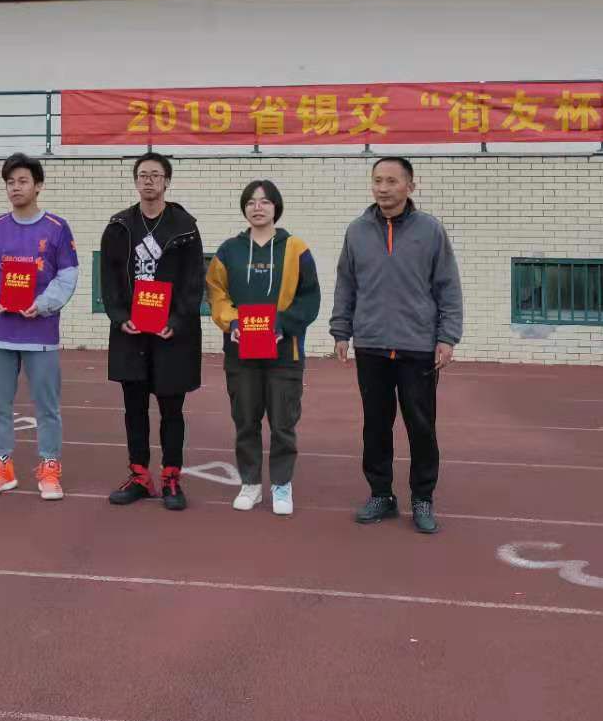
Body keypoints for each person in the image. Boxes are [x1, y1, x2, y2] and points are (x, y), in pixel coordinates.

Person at [331, 157, 463, 535]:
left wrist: (447, 337)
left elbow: (447, 286)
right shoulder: (357, 231)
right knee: (375, 425)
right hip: (371, 345)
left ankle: (422, 497)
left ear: (410, 186)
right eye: (378, 180)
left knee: (421, 426)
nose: (383, 188)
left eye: (392, 181)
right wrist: (341, 330)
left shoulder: (430, 230)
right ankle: (381, 494)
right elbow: (346, 283)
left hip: (417, 346)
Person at [205, 180, 321, 516]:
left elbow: (310, 298)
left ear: (276, 207)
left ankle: (282, 484)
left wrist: (282, 324)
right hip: (241, 353)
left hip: (285, 353)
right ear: (244, 208)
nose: (258, 207)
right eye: (251, 202)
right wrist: (233, 323)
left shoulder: (296, 248)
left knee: (283, 423)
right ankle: (251, 483)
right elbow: (216, 293)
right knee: (245, 420)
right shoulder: (229, 250)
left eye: (265, 201)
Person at [0, 154, 79, 501]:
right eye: (10, 182)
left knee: (47, 406)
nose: (15, 188)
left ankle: (49, 467)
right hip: (0, 333)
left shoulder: (57, 228)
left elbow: (68, 276)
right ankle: (1, 467)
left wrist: (43, 304)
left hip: (41, 334)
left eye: (22, 181)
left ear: (38, 186)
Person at [100, 152, 205, 511]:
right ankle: (140, 475)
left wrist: (176, 321)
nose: (148, 181)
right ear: (136, 181)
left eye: (155, 175)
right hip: (131, 334)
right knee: (134, 409)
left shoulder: (185, 227)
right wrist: (119, 316)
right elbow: (109, 279)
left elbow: (193, 282)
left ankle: (171, 477)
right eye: (142, 175)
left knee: (171, 410)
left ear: (166, 182)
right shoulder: (119, 226)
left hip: (171, 336)